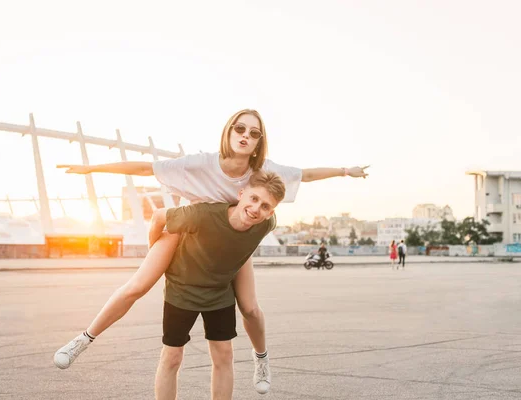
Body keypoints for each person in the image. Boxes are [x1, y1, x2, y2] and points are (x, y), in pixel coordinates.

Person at [54, 109, 370, 393]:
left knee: (250, 308)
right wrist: (92, 169)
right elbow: (144, 169)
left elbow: (307, 174)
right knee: (135, 288)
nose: (246, 136)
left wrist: (345, 170)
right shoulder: (201, 163)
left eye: (254, 133)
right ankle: (84, 338)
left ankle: (261, 357)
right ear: (228, 132)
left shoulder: (262, 173)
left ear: (260, 142)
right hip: (190, 228)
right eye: (240, 129)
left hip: (233, 242)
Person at [152, 170, 284, 399]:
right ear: (241, 194)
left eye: (265, 206)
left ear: (271, 212)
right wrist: (154, 254)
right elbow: (157, 217)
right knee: (172, 356)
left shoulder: (266, 223)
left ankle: (261, 357)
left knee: (224, 355)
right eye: (254, 199)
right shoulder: (202, 215)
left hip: (219, 292)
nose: (256, 209)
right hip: (182, 290)